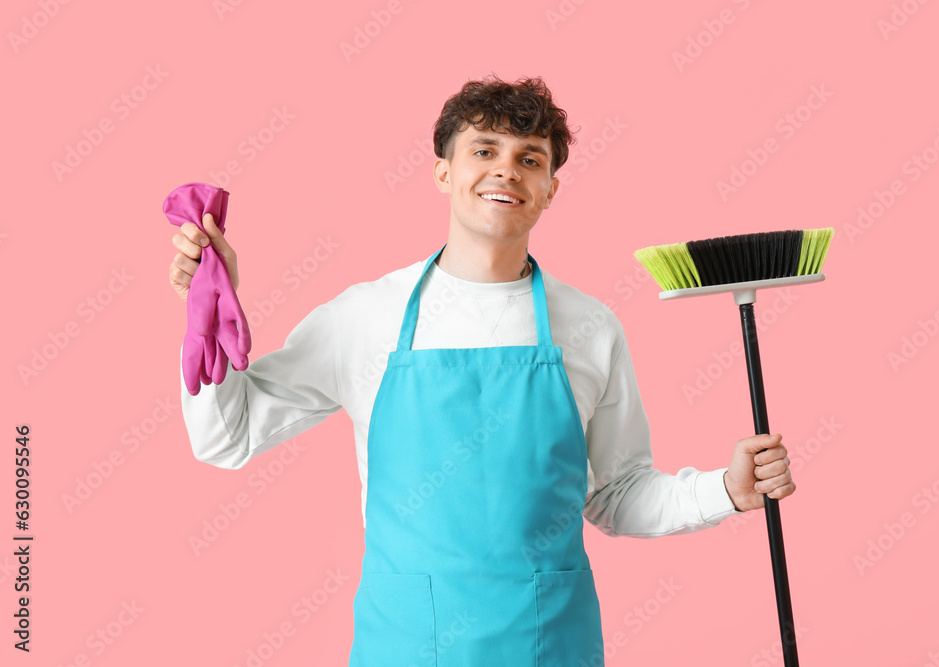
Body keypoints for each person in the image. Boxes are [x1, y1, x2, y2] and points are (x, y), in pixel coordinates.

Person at [168, 74, 795, 666]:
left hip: (549, 647)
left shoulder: (590, 328)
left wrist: (727, 492)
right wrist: (211, 313)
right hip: (409, 648)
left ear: (550, 187)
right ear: (444, 171)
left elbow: (616, 495)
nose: (506, 170)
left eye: (530, 158)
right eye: (484, 149)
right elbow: (227, 436)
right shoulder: (365, 318)